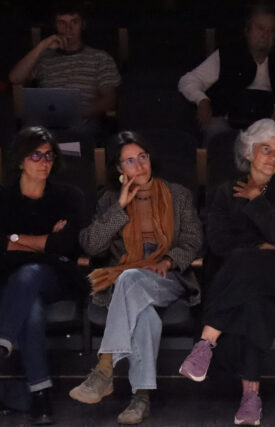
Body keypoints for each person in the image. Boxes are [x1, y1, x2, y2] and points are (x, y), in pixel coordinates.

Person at [178, 118, 275, 426]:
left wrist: (257, 200)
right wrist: (265, 246)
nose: (273, 157)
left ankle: (206, 343)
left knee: (246, 264)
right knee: (256, 304)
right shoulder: (224, 191)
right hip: (242, 280)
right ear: (249, 152)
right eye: (266, 149)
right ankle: (251, 397)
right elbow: (218, 242)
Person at [68, 131, 202, 425]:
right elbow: (91, 245)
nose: (139, 166)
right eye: (129, 161)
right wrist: (119, 207)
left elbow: (193, 240)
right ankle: (140, 399)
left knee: (130, 280)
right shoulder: (109, 200)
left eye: (143, 157)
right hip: (127, 279)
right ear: (119, 168)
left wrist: (169, 260)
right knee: (144, 315)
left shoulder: (178, 194)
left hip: (167, 277)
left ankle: (105, 368)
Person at [0, 126, 86, 425]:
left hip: (56, 277)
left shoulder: (68, 196)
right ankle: (40, 396)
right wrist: (43, 242)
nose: (44, 162)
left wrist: (14, 240)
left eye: (49, 156)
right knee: (32, 309)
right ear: (20, 160)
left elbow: (66, 245)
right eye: (35, 155)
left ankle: (3, 338)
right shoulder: (4, 198)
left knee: (31, 273)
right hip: (9, 280)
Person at [178, 5, 275, 149]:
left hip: (272, 125)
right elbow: (187, 81)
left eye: (270, 31)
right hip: (229, 123)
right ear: (247, 30)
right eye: (260, 28)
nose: (265, 35)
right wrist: (202, 100)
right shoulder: (227, 54)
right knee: (215, 133)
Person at [8, 1, 121, 132]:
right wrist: (43, 45)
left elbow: (110, 100)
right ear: (55, 26)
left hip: (82, 127)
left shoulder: (100, 57)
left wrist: (72, 112)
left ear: (83, 25)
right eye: (62, 23)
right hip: (46, 127)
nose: (68, 29)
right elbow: (15, 78)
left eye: (74, 22)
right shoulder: (45, 58)